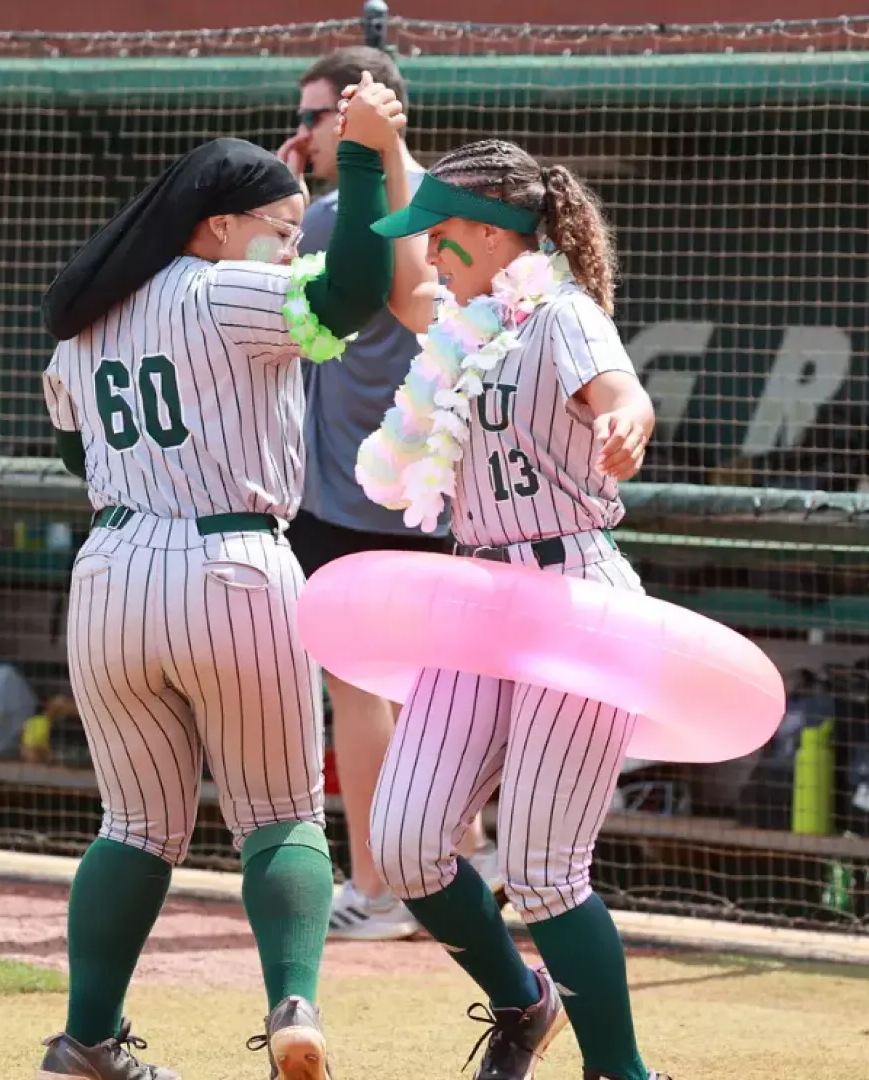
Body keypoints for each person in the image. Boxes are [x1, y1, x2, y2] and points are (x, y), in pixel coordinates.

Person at [31, 75, 409, 1080]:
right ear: (213, 227)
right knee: (279, 813)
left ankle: (87, 1040)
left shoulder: (88, 319)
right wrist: (365, 164)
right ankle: (292, 1006)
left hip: (111, 569)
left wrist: (272, 204)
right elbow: (355, 294)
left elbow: (73, 454)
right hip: (234, 563)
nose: (290, 244)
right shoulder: (224, 287)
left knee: (137, 826)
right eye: (277, 228)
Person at [359, 137, 672, 1080]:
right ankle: (521, 1001)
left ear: (494, 235)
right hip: (477, 592)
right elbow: (403, 282)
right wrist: (385, 154)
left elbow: (620, 390)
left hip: (570, 589)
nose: (431, 251)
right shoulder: (470, 322)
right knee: (406, 843)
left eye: (442, 234)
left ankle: (620, 1072)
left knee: (542, 872)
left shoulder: (560, 314)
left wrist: (629, 419)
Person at [275, 43, 503, 942]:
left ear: (360, 112)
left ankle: (375, 886)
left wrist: (284, 199)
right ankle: (459, 858)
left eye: (312, 117)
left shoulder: (335, 214)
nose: (301, 132)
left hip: (356, 499)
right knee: (431, 695)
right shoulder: (458, 209)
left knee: (360, 693)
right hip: (440, 496)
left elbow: (254, 280)